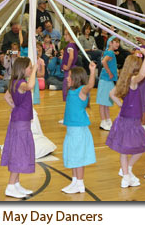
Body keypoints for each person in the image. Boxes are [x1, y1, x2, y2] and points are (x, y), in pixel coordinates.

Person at [106, 49, 145, 188]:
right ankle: (126, 173)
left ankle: (126, 173)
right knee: (141, 147)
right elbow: (142, 74)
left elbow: (112, 94)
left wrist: (121, 104)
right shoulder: (132, 80)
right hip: (131, 121)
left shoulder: (124, 79)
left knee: (124, 150)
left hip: (125, 119)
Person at [1, 57, 37, 198]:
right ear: (23, 69)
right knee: (19, 153)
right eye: (29, 67)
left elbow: (6, 97)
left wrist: (16, 107)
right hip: (21, 123)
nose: (30, 69)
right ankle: (10, 185)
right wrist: (34, 71)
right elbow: (30, 86)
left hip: (19, 120)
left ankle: (16, 183)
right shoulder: (22, 83)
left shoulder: (14, 83)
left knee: (19, 152)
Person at [61, 62, 97, 194]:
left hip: (78, 131)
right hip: (71, 130)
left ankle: (80, 184)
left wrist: (92, 71)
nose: (67, 78)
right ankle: (74, 181)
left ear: (76, 78)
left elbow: (90, 85)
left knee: (78, 157)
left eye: (69, 76)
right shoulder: (72, 91)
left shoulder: (81, 90)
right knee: (73, 156)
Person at [96, 36, 120, 131]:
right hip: (105, 80)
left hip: (108, 81)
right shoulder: (110, 53)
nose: (117, 44)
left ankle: (107, 120)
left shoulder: (110, 52)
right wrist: (110, 72)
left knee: (106, 102)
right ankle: (103, 121)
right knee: (103, 103)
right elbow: (103, 61)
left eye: (118, 42)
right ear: (110, 43)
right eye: (115, 42)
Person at [61, 29, 79, 103]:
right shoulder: (74, 45)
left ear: (71, 36)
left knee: (66, 85)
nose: (64, 36)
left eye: (66, 35)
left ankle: (67, 100)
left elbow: (71, 57)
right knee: (71, 85)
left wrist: (68, 66)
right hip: (72, 68)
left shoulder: (70, 45)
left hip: (69, 69)